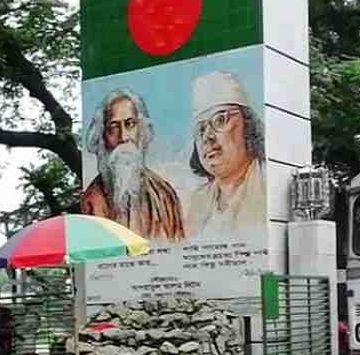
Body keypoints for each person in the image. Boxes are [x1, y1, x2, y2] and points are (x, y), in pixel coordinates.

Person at [82, 88, 186, 242]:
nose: (123, 137)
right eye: (113, 128)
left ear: (141, 130)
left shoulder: (164, 194)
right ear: (102, 136)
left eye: (130, 124)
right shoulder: (91, 202)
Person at [185, 71, 268, 238]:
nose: (207, 137)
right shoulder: (196, 202)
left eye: (220, 120)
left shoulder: (268, 185)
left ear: (248, 124)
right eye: (201, 128)